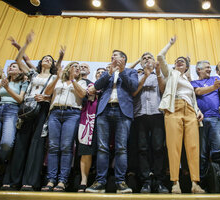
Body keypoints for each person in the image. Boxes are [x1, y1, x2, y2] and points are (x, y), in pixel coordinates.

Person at [1, 31, 64, 191]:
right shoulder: (32, 74)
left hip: (42, 110)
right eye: (45, 58)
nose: (47, 60)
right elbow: (18, 60)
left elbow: (51, 94)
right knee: (21, 142)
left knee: (36, 145)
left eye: (50, 59)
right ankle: (13, 180)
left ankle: (29, 181)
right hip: (27, 108)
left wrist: (45, 98)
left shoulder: (54, 78)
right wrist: (25, 45)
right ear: (41, 62)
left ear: (53, 65)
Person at [85, 50, 138, 194]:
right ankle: (100, 182)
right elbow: (97, 86)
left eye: (116, 55)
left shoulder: (131, 72)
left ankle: (120, 182)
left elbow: (133, 87)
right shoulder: (106, 72)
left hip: (123, 111)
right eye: (112, 56)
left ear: (123, 59)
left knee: (121, 148)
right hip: (104, 110)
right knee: (102, 148)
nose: (112, 57)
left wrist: (121, 72)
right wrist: (109, 73)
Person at [157, 36, 205, 194]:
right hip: (173, 109)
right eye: (177, 61)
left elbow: (192, 99)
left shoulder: (188, 82)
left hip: (190, 111)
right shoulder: (171, 74)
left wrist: (198, 111)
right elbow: (160, 57)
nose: (179, 62)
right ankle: (175, 183)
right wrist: (170, 44)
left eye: (182, 61)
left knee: (193, 147)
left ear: (187, 67)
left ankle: (195, 183)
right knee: (174, 146)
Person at [41, 61, 87, 192]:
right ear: (68, 69)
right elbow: (47, 92)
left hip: (72, 114)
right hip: (55, 113)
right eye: (75, 67)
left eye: (79, 68)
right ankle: (51, 179)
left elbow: (83, 94)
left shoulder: (81, 82)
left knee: (66, 147)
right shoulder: (59, 81)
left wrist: (73, 80)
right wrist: (57, 77)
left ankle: (62, 181)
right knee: (53, 147)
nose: (78, 69)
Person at [132, 52, 168, 193]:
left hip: (157, 114)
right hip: (140, 114)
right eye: (144, 59)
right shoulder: (135, 76)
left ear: (154, 62)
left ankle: (159, 181)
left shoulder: (160, 75)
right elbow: (134, 92)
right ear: (141, 63)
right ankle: (146, 181)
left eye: (149, 58)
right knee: (142, 148)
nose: (147, 60)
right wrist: (145, 75)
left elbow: (163, 90)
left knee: (158, 148)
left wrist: (156, 73)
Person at [191, 60, 220, 189]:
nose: (209, 69)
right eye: (206, 67)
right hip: (199, 122)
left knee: (219, 150)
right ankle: (203, 184)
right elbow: (199, 92)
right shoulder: (194, 83)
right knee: (201, 154)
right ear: (199, 70)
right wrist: (214, 87)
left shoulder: (215, 78)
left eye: (209, 67)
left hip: (215, 119)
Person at [0, 62, 28, 190]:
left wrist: (7, 88)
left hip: (12, 111)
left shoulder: (23, 82)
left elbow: (20, 99)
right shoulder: (1, 81)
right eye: (9, 66)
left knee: (6, 143)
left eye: (14, 66)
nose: (10, 68)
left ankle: (3, 164)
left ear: (20, 71)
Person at [77, 67, 105, 192]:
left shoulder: (110, 88)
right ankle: (83, 181)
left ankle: (100, 180)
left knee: (103, 150)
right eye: (98, 72)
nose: (100, 74)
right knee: (85, 150)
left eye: (102, 72)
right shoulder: (90, 85)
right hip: (88, 120)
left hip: (104, 120)